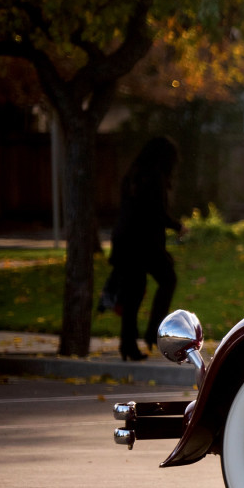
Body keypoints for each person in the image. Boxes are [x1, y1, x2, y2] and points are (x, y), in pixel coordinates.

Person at [108, 136, 182, 360]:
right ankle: (151, 334)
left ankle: (129, 345)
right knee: (166, 280)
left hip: (127, 241)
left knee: (133, 295)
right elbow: (155, 214)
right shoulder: (154, 178)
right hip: (141, 243)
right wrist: (177, 226)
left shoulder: (134, 174)